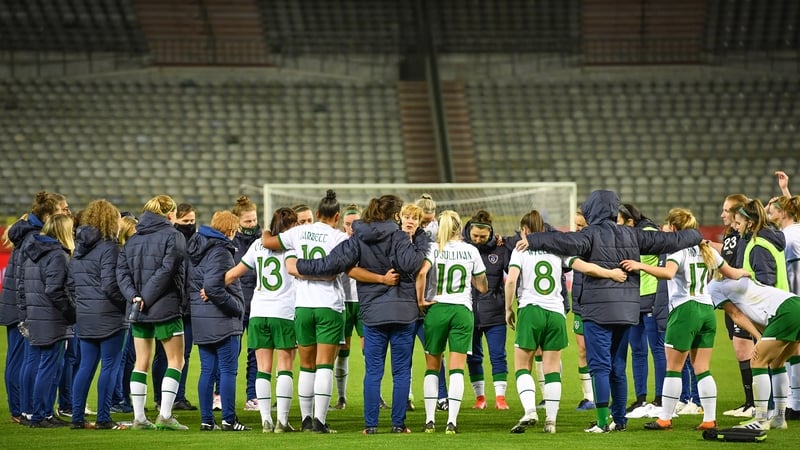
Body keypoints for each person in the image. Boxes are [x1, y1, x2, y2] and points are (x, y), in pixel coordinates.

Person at [516, 189, 702, 433]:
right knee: (617, 365)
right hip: (627, 310)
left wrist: (534, 240)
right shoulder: (633, 235)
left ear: (592, 209)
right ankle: (619, 420)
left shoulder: (589, 235)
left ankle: (603, 422)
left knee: (600, 366)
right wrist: (696, 235)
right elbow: (671, 241)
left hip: (598, 310)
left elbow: (564, 242)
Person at [295, 194, 431, 434]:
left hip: (372, 314)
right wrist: (420, 239)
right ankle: (398, 425)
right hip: (403, 312)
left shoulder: (359, 238)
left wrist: (299, 266)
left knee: (374, 371)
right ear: (395, 215)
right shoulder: (400, 236)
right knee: (401, 371)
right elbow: (412, 264)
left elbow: (331, 263)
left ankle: (371, 426)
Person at [621, 207, 749, 431]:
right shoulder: (707, 250)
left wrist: (640, 265)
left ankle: (665, 418)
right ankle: (709, 419)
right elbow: (732, 272)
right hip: (706, 309)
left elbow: (668, 273)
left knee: (673, 368)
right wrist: (749, 273)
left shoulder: (676, 250)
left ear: (673, 228)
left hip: (684, 309)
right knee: (702, 368)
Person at [506, 209, 628, 434]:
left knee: (523, 366)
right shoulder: (557, 249)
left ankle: (530, 410)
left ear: (525, 231)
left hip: (531, 310)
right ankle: (551, 421)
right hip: (556, 313)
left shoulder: (520, 250)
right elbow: (586, 267)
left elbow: (511, 281)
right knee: (553, 369)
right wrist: (611, 274)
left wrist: (508, 309)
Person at [261, 190, 348, 433]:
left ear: (317, 213)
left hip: (303, 306)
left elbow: (268, 242)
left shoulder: (297, 232)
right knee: (324, 366)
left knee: (307, 366)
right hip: (329, 305)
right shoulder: (339, 237)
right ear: (337, 216)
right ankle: (319, 421)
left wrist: (265, 229)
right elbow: (340, 268)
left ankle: (306, 420)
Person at [116, 194, 189, 430]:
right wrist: (146, 298)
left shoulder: (133, 239)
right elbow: (168, 271)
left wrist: (135, 298)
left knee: (141, 361)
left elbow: (122, 274)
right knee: (176, 360)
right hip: (165, 306)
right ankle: (165, 415)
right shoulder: (174, 236)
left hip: (138, 309)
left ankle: (139, 418)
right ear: (171, 214)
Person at [225, 207, 298, 433]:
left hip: (258, 312)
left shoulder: (258, 245)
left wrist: (210, 288)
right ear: (291, 226)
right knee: (284, 367)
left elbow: (234, 272)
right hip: (284, 313)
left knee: (263, 368)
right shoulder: (293, 245)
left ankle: (266, 419)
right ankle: (282, 421)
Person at [417, 210, 489, 434]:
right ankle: (452, 422)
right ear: (461, 228)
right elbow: (482, 286)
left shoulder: (433, 248)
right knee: (457, 368)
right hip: (461, 311)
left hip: (437, 308)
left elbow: (421, 274)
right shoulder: (471, 250)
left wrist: (421, 300)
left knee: (432, 366)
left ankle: (430, 420)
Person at [1, 192, 69, 425]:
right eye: (63, 208)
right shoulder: (33, 238)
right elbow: (24, 279)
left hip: (21, 305)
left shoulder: (27, 233)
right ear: (49, 214)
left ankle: (25, 408)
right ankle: (23, 409)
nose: (67, 212)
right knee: (24, 359)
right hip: (25, 307)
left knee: (21, 359)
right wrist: (25, 312)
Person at [709, 277, 800, 431]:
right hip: (793, 302)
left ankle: (761, 419)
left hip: (784, 311)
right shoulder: (735, 279)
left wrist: (758, 338)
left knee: (757, 361)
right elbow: (755, 314)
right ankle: (779, 418)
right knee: (777, 363)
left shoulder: (713, 287)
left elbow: (736, 314)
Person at [68, 199, 128, 430]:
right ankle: (103, 418)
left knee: (85, 367)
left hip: (85, 316)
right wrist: (126, 305)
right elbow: (110, 285)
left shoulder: (79, 250)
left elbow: (72, 284)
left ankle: (77, 418)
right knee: (110, 367)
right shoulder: (110, 248)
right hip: (110, 316)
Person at [188, 211, 250, 431]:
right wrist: (236, 307)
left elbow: (198, 286)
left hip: (202, 318)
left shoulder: (196, 248)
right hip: (222, 320)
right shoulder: (221, 250)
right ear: (231, 230)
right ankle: (229, 420)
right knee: (227, 371)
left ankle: (207, 420)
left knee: (207, 371)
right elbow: (213, 287)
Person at [20, 214, 76, 428]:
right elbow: (55, 290)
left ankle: (43, 413)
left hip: (37, 316)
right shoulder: (58, 255)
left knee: (45, 366)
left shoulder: (33, 253)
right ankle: (40, 415)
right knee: (48, 368)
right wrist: (72, 313)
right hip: (52, 318)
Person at [709, 193, 757, 418]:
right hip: (732, 296)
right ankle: (750, 402)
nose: (722, 215)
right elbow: (728, 254)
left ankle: (755, 403)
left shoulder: (746, 234)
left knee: (745, 350)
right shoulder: (733, 234)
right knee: (742, 351)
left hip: (743, 298)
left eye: (726, 210)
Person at [617, 204, 666, 419]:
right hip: (633, 299)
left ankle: (660, 398)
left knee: (657, 348)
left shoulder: (649, 233)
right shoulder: (631, 234)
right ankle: (641, 398)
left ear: (630, 221)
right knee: (637, 350)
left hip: (651, 296)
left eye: (619, 221)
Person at [401, 203, 448, 412]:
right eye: (407, 217)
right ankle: (406, 396)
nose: (410, 221)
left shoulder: (428, 244)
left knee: (434, 352)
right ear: (400, 218)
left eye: (414, 218)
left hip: (425, 306)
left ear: (420, 223)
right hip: (402, 306)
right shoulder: (391, 242)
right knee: (403, 355)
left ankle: (442, 396)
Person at [462, 210, 511, 410]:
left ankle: (500, 398)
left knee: (498, 354)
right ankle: (479, 397)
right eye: (475, 236)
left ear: (491, 233)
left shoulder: (500, 249)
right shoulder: (460, 248)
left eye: (483, 236)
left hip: (495, 311)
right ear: (468, 231)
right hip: (467, 312)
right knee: (472, 356)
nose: (479, 240)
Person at [152, 203, 198, 412]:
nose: (189, 225)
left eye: (192, 221)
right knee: (164, 355)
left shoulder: (197, 242)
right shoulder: (170, 240)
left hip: (188, 307)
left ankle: (177, 396)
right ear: (175, 220)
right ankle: (161, 397)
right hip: (169, 305)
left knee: (183, 354)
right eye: (185, 221)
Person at [231, 196, 261, 411]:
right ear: (237, 221)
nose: (252, 225)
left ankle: (253, 396)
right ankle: (219, 395)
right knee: (231, 352)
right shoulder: (230, 243)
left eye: (254, 221)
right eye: (247, 222)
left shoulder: (264, 240)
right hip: (235, 305)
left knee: (256, 353)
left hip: (259, 304)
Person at [332, 204, 362, 410]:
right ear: (343, 225)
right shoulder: (337, 242)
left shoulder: (368, 243)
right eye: (348, 224)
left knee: (371, 350)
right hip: (341, 302)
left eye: (356, 224)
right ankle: (341, 397)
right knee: (342, 349)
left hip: (364, 302)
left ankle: (375, 396)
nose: (352, 228)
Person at [109, 213, 138, 414]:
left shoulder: (125, 253)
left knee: (128, 358)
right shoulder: (120, 255)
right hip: (121, 313)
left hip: (128, 313)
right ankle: (117, 398)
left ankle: (123, 395)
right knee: (121, 358)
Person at [570, 207, 596, 411]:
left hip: (597, 304)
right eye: (576, 225)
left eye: (581, 225)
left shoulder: (597, 243)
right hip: (579, 304)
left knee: (598, 350)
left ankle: (601, 393)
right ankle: (588, 396)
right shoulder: (574, 244)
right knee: (582, 350)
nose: (578, 229)